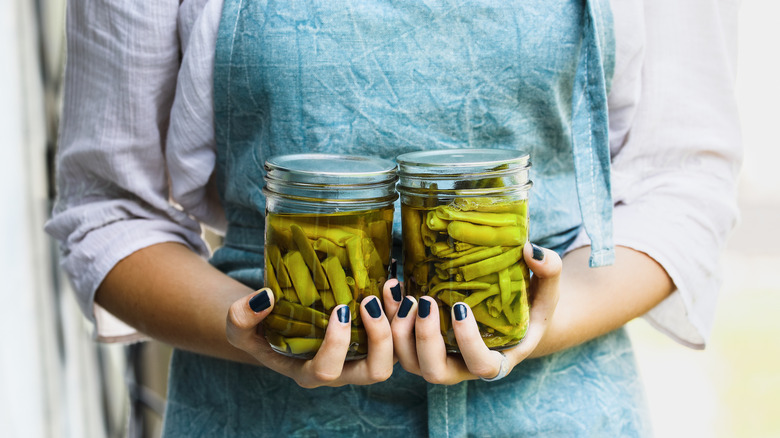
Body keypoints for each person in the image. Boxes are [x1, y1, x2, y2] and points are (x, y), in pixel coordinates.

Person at [46, 0, 741, 436]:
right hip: (264, 414)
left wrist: (542, 320)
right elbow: (109, 211)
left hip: (562, 411)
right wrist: (257, 330)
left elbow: (682, 180)